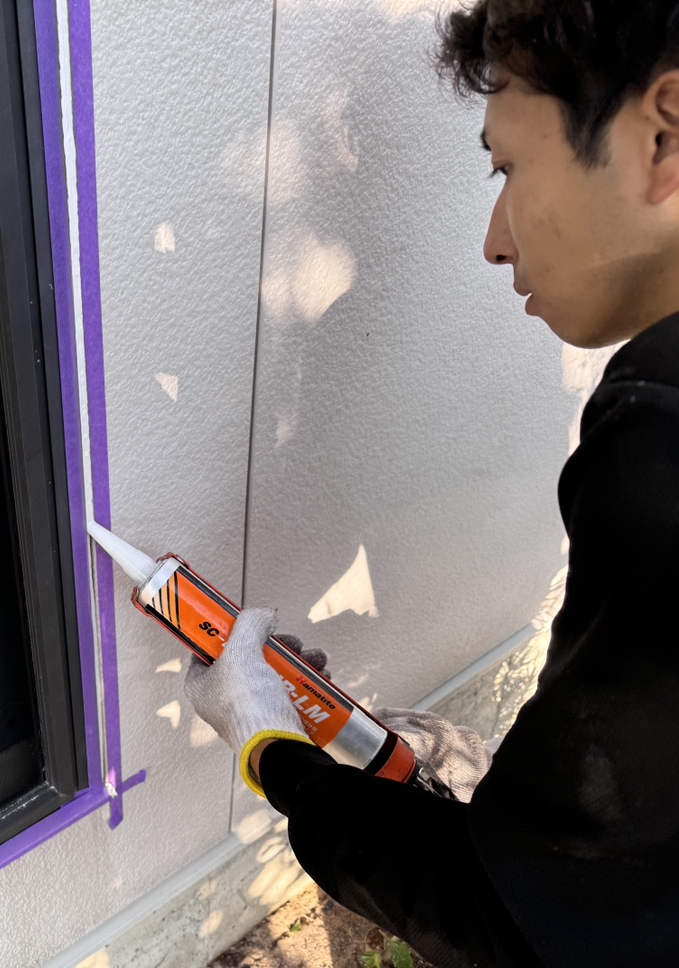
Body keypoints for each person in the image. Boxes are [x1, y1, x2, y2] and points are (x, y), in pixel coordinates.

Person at [184, 2, 679, 965]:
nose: (495, 241)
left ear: (662, 136)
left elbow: (514, 922)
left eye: (507, 168)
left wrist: (272, 750)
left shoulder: (661, 439)